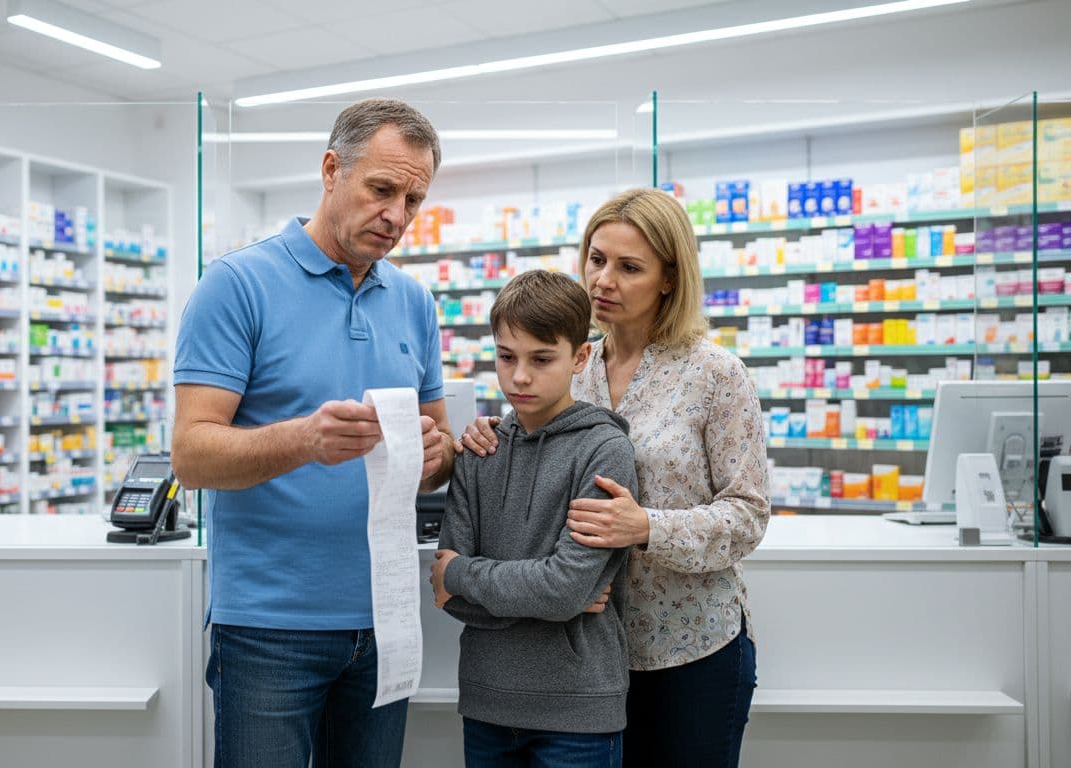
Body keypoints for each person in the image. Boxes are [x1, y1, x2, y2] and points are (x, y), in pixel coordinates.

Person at [170, 98, 456, 768]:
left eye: (413, 200)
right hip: (271, 628)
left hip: (385, 619)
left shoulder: (414, 303)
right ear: (332, 170)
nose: (396, 216)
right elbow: (191, 455)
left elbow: (437, 454)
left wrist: (437, 454)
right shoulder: (237, 284)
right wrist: (304, 440)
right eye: (381, 189)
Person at [459, 188, 770, 768]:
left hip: (689, 649)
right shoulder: (571, 362)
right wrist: (487, 438)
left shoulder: (715, 376)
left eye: (629, 268)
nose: (604, 280)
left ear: (669, 279)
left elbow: (748, 514)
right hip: (587, 658)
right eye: (597, 258)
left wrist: (646, 526)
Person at [430, 270, 637, 768]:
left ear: (580, 357)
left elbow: (561, 588)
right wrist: (551, 594)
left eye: (541, 359)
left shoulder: (604, 450)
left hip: (579, 712)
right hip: (485, 703)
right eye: (507, 357)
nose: (519, 377)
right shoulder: (479, 451)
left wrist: (463, 574)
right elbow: (448, 600)